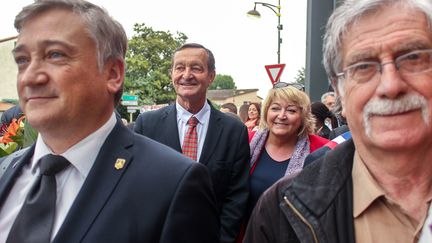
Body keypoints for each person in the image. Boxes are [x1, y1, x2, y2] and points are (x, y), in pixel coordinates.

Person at [0, 1, 219, 243]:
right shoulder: (5, 170)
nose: (30, 76)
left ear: (113, 73)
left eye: (55, 55)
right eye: (22, 60)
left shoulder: (173, 185)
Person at [244, 0, 432, 242]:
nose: (391, 85)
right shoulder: (279, 212)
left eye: (413, 58)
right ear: (338, 89)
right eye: (363, 66)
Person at [134, 43, 250, 243]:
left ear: (211, 76)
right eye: (180, 68)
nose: (187, 75)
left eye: (196, 68)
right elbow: (135, 188)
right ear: (171, 74)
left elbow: (236, 196)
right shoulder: (147, 125)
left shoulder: (234, 131)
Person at [247, 85, 328, 218]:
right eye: (275, 108)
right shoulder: (247, 142)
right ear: (266, 112)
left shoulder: (322, 150)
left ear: (303, 117)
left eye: (291, 110)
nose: (282, 115)